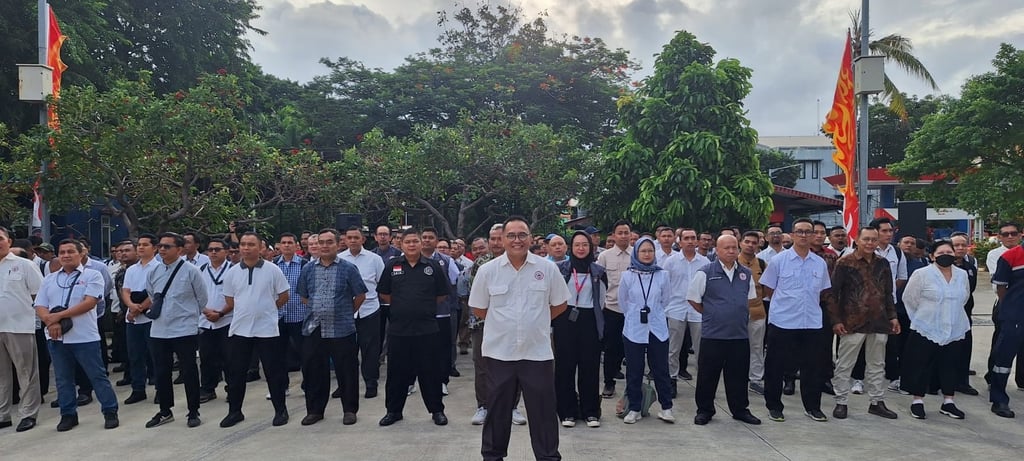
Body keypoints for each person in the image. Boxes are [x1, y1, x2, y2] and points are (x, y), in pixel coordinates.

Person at [469, 217, 570, 461]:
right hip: (499, 353)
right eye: (511, 235)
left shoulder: (547, 269)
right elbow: (479, 308)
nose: (517, 240)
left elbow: (560, 304)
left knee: (543, 412)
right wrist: (505, 325)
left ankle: (548, 457)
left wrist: (536, 321)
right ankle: (492, 456)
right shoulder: (488, 271)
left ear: (530, 238)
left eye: (522, 234)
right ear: (503, 239)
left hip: (537, 353)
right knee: (497, 411)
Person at [35, 239, 119, 431]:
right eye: (62, 252)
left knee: (97, 376)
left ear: (81, 254)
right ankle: (68, 414)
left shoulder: (92, 275)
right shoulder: (50, 279)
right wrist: (51, 321)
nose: (66, 255)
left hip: (84, 337)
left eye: (70, 251)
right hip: (56, 337)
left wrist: (57, 316)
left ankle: (110, 411)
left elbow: (89, 303)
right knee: (63, 379)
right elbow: (40, 305)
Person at [760, 218, 832, 422]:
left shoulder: (819, 263)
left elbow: (822, 291)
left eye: (808, 232)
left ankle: (813, 407)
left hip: (811, 322)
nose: (803, 235)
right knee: (776, 366)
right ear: (792, 235)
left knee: (813, 367)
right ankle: (774, 406)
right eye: (799, 231)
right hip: (783, 321)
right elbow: (768, 289)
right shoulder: (778, 261)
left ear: (814, 235)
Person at [377, 229, 450, 427]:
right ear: (401, 244)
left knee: (430, 372)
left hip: (427, 329)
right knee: (396, 373)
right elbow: (384, 293)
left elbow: (442, 294)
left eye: (415, 241)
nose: (411, 245)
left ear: (420, 243)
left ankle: (437, 410)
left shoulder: (432, 266)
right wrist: (404, 306)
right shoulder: (392, 265)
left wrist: (421, 306)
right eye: (407, 241)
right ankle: (393, 411)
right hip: (399, 329)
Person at [219, 232, 292, 428]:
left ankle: (280, 410)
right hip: (240, 329)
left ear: (260, 248)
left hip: (267, 329)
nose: (246, 248)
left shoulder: (273, 270)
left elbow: (284, 296)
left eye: (251, 244)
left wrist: (266, 309)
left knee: (273, 372)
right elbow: (230, 300)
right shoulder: (232, 272)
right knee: (236, 373)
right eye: (243, 244)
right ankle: (235, 412)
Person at [826, 226, 899, 420]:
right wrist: (836, 320)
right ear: (857, 240)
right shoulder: (845, 262)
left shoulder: (883, 263)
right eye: (866, 239)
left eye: (873, 239)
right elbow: (832, 294)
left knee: (877, 364)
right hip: (852, 322)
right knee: (845, 364)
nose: (870, 243)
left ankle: (877, 401)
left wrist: (893, 316)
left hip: (879, 321)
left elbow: (888, 293)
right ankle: (841, 401)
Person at [297, 228, 368, 426]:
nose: (325, 246)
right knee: (314, 371)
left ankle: (349, 410)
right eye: (321, 242)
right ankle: (315, 411)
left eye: (329, 242)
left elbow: (360, 295)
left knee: (347, 371)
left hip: (342, 328)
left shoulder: (348, 268)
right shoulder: (308, 269)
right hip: (314, 328)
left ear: (338, 244)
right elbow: (304, 297)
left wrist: (344, 312)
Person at [688, 235, 761, 425]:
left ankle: (740, 410)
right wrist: (712, 313)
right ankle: (704, 410)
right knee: (707, 375)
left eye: (734, 247)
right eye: (726, 248)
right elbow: (693, 299)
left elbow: (750, 299)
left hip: (739, 334)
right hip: (713, 334)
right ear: (717, 250)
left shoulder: (745, 274)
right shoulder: (706, 272)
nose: (731, 251)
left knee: (738, 376)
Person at [144, 232, 207, 429]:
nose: (162, 249)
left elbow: (202, 298)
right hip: (159, 329)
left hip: (184, 329)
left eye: (167, 246)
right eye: (160, 246)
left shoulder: (191, 271)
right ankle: (165, 410)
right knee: (162, 371)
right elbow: (152, 295)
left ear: (179, 250)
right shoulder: (153, 271)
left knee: (188, 371)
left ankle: (193, 411)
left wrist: (190, 317)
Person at [900, 240, 970, 419]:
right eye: (940, 253)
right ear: (932, 256)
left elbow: (964, 297)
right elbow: (909, 299)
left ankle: (948, 401)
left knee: (950, 364)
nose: (945, 255)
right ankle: (917, 401)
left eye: (949, 252)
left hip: (955, 327)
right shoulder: (922, 274)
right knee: (921, 365)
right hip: (926, 327)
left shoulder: (962, 275)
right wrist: (921, 318)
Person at [617, 236, 674, 424]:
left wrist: (653, 313)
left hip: (657, 328)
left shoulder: (662, 275)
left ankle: (666, 408)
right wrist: (635, 314)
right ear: (636, 253)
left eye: (650, 250)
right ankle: (635, 408)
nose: (647, 254)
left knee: (661, 369)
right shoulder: (628, 276)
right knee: (634, 369)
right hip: (634, 328)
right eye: (643, 251)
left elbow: (666, 300)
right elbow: (623, 302)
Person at [554, 231, 607, 428]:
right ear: (571, 247)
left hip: (589, 320)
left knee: (589, 366)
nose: (581, 248)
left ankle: (590, 411)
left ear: (591, 247)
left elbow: (601, 300)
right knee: (565, 367)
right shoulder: (561, 269)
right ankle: (567, 411)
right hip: (565, 319)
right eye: (577, 245)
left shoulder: (598, 271)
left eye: (585, 244)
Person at [0, 226, 45, 431]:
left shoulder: (24, 265)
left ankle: (28, 413)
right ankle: (3, 414)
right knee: (1, 374)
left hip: (19, 327)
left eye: (0, 238)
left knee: (26, 373)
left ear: (9, 241)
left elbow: (40, 295)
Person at [338, 226, 386, 399]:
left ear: (363, 239)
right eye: (349, 237)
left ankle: (371, 383)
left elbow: (382, 283)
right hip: (345, 312)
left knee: (370, 350)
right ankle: (344, 385)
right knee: (346, 351)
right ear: (345, 240)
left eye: (356, 237)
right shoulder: (339, 259)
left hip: (369, 310)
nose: (352, 241)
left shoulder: (374, 259)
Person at [662, 228, 710, 391]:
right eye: (686, 238)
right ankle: (672, 379)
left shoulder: (705, 262)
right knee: (673, 348)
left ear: (697, 241)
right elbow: (665, 286)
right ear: (680, 241)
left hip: (698, 310)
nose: (690, 241)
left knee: (701, 348)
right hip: (675, 308)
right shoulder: (671, 261)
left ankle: (703, 382)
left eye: (693, 238)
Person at [120, 234, 158, 405]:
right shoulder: (131, 270)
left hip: (151, 318)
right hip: (133, 319)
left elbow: (156, 293)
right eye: (139, 245)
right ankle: (138, 389)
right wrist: (131, 306)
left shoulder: (159, 268)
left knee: (155, 356)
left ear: (154, 248)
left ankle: (160, 388)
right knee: (135, 356)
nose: (141, 247)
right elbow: (125, 291)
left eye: (145, 244)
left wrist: (140, 308)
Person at [597, 220, 633, 398]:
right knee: (611, 348)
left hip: (633, 310)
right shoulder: (605, 256)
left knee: (632, 349)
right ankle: (609, 383)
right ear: (613, 235)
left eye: (626, 232)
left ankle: (632, 386)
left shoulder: (638, 254)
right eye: (620, 233)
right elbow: (598, 282)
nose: (623, 236)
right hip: (612, 308)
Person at [198, 238, 233, 404]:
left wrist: (220, 313)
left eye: (217, 249)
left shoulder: (234, 270)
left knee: (230, 358)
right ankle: (207, 388)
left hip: (228, 320)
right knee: (206, 358)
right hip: (206, 321)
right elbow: (196, 295)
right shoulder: (201, 270)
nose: (213, 252)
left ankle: (232, 389)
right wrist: (207, 312)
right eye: (210, 249)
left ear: (226, 252)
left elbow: (238, 296)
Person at [736, 231, 768, 396]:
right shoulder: (732, 262)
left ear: (758, 244)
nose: (750, 245)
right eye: (747, 242)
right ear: (740, 243)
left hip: (757, 312)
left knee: (756, 346)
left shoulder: (762, 264)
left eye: (754, 243)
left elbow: (768, 289)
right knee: (736, 347)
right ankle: (737, 376)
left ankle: (755, 379)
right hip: (735, 314)